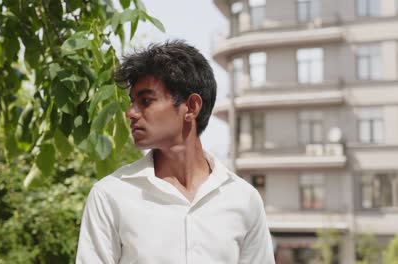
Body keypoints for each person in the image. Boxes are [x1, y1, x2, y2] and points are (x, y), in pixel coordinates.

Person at [76, 40, 275, 264]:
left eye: (146, 101)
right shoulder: (110, 195)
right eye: (132, 102)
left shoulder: (243, 199)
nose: (130, 113)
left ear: (191, 107)